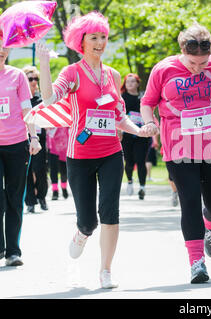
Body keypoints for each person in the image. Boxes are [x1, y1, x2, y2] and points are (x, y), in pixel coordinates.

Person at [36, 12, 154, 288]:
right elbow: (50, 98)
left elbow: (119, 115)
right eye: (94, 38)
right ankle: (82, 232)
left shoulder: (112, 75)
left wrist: (138, 131)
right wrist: (44, 64)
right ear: (82, 41)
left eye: (103, 37)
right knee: (88, 221)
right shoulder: (72, 73)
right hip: (80, 156)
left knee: (110, 212)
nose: (100, 42)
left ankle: (105, 271)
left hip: (112, 152)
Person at [141, 23, 211, 284]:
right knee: (189, 202)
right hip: (177, 146)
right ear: (181, 51)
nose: (198, 67)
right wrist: (149, 122)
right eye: (192, 62)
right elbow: (147, 102)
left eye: (202, 62)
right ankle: (197, 263)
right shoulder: (164, 69)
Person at [0, 40, 42, 266]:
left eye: (4, 46)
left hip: (17, 144)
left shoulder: (17, 76)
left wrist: (33, 137)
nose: (1, 50)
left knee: (15, 198)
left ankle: (13, 252)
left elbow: (28, 108)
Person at [23, 66, 48, 213]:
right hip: (23, 139)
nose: (33, 81)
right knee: (27, 171)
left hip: (40, 140)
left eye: (35, 78)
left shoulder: (41, 100)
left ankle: (42, 196)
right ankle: (30, 202)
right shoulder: (21, 98)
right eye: (30, 78)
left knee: (40, 170)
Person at [120, 73, 149, 200]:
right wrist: (119, 131)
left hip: (142, 133)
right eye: (128, 82)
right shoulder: (122, 98)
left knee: (141, 160)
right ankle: (130, 181)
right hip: (127, 134)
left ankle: (142, 187)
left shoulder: (143, 97)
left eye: (133, 81)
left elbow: (150, 111)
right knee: (129, 161)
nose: (130, 84)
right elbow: (119, 114)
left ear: (138, 83)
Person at [47, 127, 69, 200]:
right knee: (53, 171)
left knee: (64, 172)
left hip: (64, 149)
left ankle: (64, 187)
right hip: (53, 148)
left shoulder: (65, 119)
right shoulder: (51, 120)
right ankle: (55, 191)